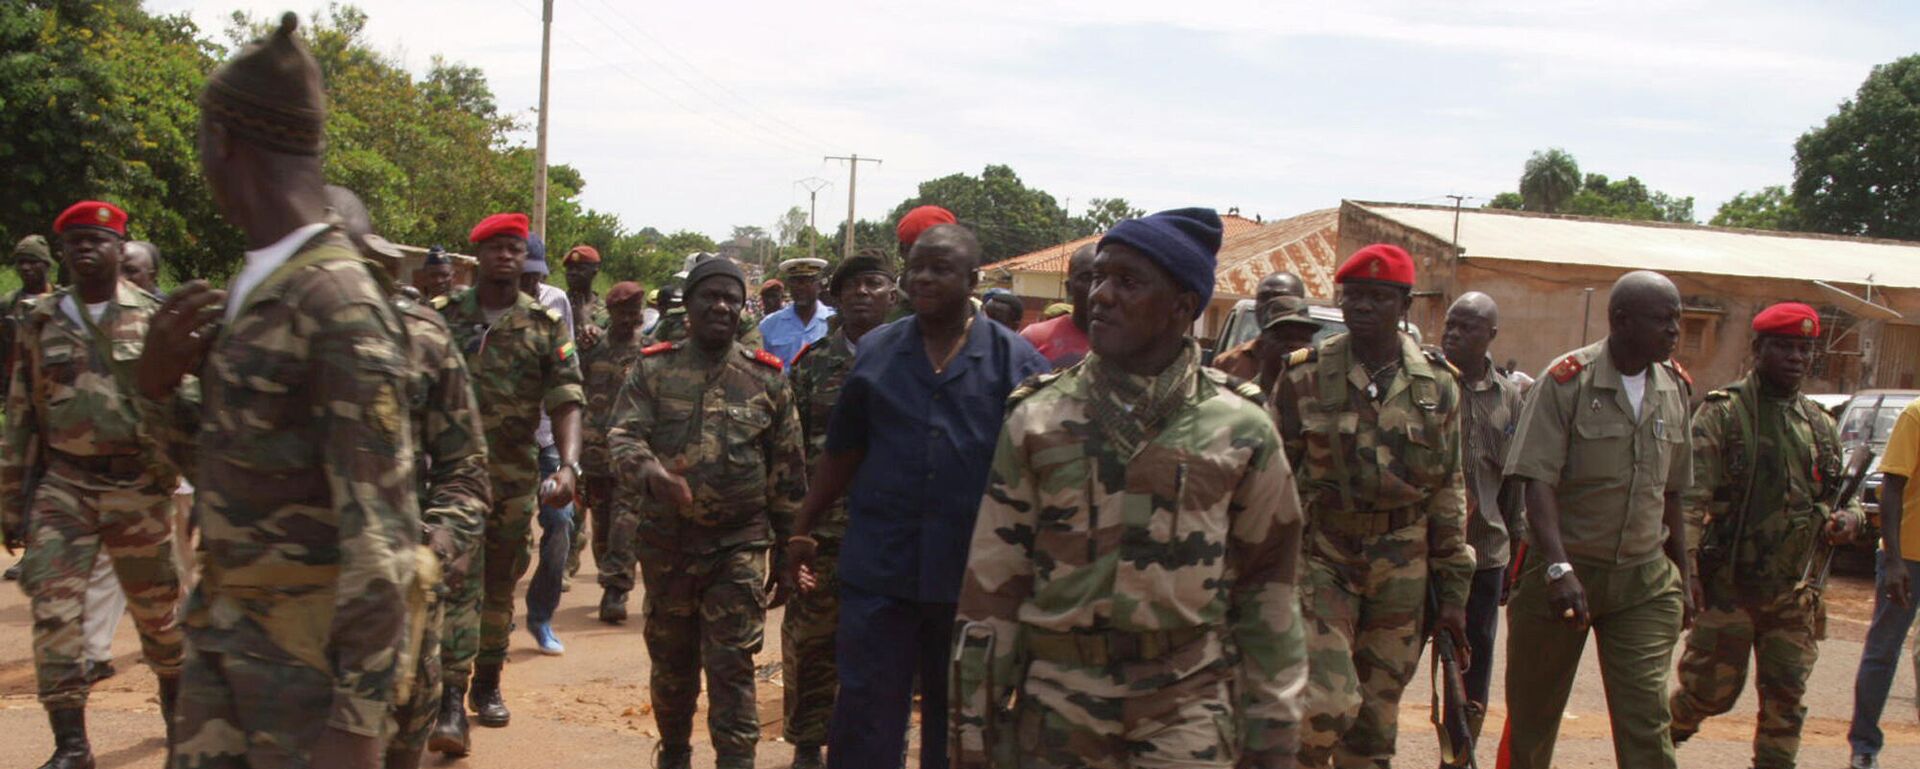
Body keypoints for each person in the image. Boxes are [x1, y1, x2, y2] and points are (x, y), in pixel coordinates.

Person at [135, 15, 420, 767]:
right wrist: (157, 390)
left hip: (304, 677)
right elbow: (236, 473)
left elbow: (384, 536)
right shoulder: (260, 284)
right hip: (227, 646)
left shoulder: (337, 302)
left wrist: (358, 725)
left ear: (222, 140)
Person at [950, 207, 1306, 768]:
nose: (1102, 296)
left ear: (1183, 307)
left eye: (1128, 281)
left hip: (1186, 704)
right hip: (1057, 708)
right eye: (1099, 278)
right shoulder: (1037, 420)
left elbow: (1270, 587)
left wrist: (1273, 733)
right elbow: (994, 587)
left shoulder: (1241, 427)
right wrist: (974, 733)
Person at [786, 223, 1048, 769]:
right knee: (864, 714)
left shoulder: (1016, 363)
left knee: (957, 723)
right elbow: (844, 450)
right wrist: (804, 523)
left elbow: (1039, 473)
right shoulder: (879, 352)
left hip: (972, 578)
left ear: (973, 279)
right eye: (917, 267)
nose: (924, 278)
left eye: (941, 268)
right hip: (880, 570)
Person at [2, 200, 186, 769]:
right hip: (65, 487)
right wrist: (12, 503)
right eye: (75, 240)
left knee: (159, 619)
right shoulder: (40, 322)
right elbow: (21, 413)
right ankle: (72, 745)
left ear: (118, 248)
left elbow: (184, 403)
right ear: (63, 252)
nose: (85, 247)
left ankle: (180, 728)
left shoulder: (155, 317)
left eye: (97, 239)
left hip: (137, 486)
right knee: (55, 614)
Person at [604, 256, 806, 769]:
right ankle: (673, 751)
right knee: (672, 664)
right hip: (667, 546)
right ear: (688, 306)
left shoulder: (768, 380)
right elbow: (623, 435)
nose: (721, 305)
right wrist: (650, 471)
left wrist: (789, 551)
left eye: (731, 299)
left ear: (742, 309)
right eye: (709, 296)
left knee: (732, 664)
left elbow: (788, 473)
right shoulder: (653, 369)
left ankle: (734, 762)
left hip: (738, 548)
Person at [1273, 244, 1471, 767]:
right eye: (1353, 296)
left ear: (1403, 304)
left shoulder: (1438, 385)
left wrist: (1453, 593)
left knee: (1375, 719)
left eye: (1378, 297)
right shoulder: (1304, 375)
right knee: (1324, 705)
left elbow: (1449, 487)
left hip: (1403, 564)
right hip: (1324, 555)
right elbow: (1275, 483)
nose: (1361, 307)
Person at [322, 185, 492, 769]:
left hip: (397, 577)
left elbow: (466, 466)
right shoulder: (253, 330)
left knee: (401, 731)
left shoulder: (421, 335)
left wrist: (441, 540)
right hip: (286, 590)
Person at [1500, 269, 1696, 769]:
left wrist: (1685, 579)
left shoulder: (1674, 387)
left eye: (1678, 319)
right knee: (1533, 721)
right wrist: (1558, 567)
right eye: (1663, 320)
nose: (1675, 330)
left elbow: (1673, 492)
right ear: (1622, 320)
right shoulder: (1566, 381)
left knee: (1647, 722)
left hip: (1643, 581)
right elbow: (1536, 481)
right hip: (1562, 575)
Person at [1666, 301, 1861, 769]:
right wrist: (1685, 574)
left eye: (1803, 349)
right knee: (1706, 695)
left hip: (1793, 595)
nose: (1796, 358)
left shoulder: (1819, 424)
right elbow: (1688, 502)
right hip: (1730, 588)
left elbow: (1841, 498)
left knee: (1785, 702)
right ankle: (1648, 750)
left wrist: (1848, 521)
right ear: (1759, 349)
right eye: (1784, 347)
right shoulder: (1723, 415)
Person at [428, 212, 583, 753]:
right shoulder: (442, 317)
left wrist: (567, 465)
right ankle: (449, 704)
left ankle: (487, 684)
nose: (506, 257)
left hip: (513, 479)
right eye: (496, 247)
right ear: (479, 256)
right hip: (448, 480)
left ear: (524, 259)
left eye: (515, 249)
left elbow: (567, 398)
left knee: (498, 586)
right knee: (454, 587)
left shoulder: (543, 325)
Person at [781, 251, 893, 769]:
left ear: (893, 294)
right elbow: (790, 451)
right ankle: (808, 740)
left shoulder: (911, 359)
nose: (863, 294)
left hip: (889, 530)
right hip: (823, 529)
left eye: (874, 284)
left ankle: (867, 744)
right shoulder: (811, 366)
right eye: (851, 286)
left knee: (881, 645)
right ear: (836, 298)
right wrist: (789, 532)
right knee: (812, 637)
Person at [1438, 291, 1526, 761]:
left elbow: (1515, 482)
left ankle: (1456, 755)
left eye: (1466, 327)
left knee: (1472, 669)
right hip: (1425, 553)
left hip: (1485, 555)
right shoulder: (1427, 384)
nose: (1453, 333)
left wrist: (1514, 551)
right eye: (1450, 324)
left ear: (1491, 335)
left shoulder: (1510, 399)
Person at [1849, 378, 1920, 769]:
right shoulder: (1915, 415)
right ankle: (1864, 746)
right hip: (1908, 557)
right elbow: (1891, 487)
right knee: (1883, 652)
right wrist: (1892, 559)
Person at [517, 239, 580, 636]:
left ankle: (541, 616)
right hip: (501, 439)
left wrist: (571, 461)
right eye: (525, 277)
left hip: (547, 434)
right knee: (503, 534)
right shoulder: (482, 308)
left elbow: (568, 369)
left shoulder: (557, 302)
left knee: (560, 522)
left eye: (536, 276)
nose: (531, 285)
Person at [582, 281, 650, 624]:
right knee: (603, 523)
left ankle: (616, 588)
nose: (629, 318)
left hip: (633, 451)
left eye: (634, 312)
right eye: (623, 312)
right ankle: (608, 572)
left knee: (627, 518)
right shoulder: (591, 348)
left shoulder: (649, 352)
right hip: (595, 452)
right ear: (610, 313)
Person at [1, 234, 55, 584]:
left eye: (33, 261)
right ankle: (30, 552)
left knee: (55, 480)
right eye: (21, 261)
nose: (26, 268)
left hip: (58, 408)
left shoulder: (63, 302)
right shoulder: (7, 304)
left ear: (47, 264)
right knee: (25, 478)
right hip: (20, 404)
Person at [1210, 270, 1307, 380]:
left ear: (1300, 303)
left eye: (1280, 298)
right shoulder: (1227, 362)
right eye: (1263, 298)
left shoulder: (1316, 367)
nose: (1269, 305)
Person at [1018, 243, 1094, 369]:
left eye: (1101, 278)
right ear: (1069, 288)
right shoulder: (1034, 338)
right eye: (1086, 278)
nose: (1095, 287)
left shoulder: (1128, 344)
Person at [759, 257, 835, 366]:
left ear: (819, 285)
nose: (801, 287)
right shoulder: (769, 324)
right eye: (795, 282)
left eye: (807, 281)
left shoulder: (835, 323)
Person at [563, 244, 607, 349]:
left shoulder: (606, 311)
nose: (573, 273)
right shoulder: (558, 303)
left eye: (580, 269)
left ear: (594, 273)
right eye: (569, 268)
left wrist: (582, 318)